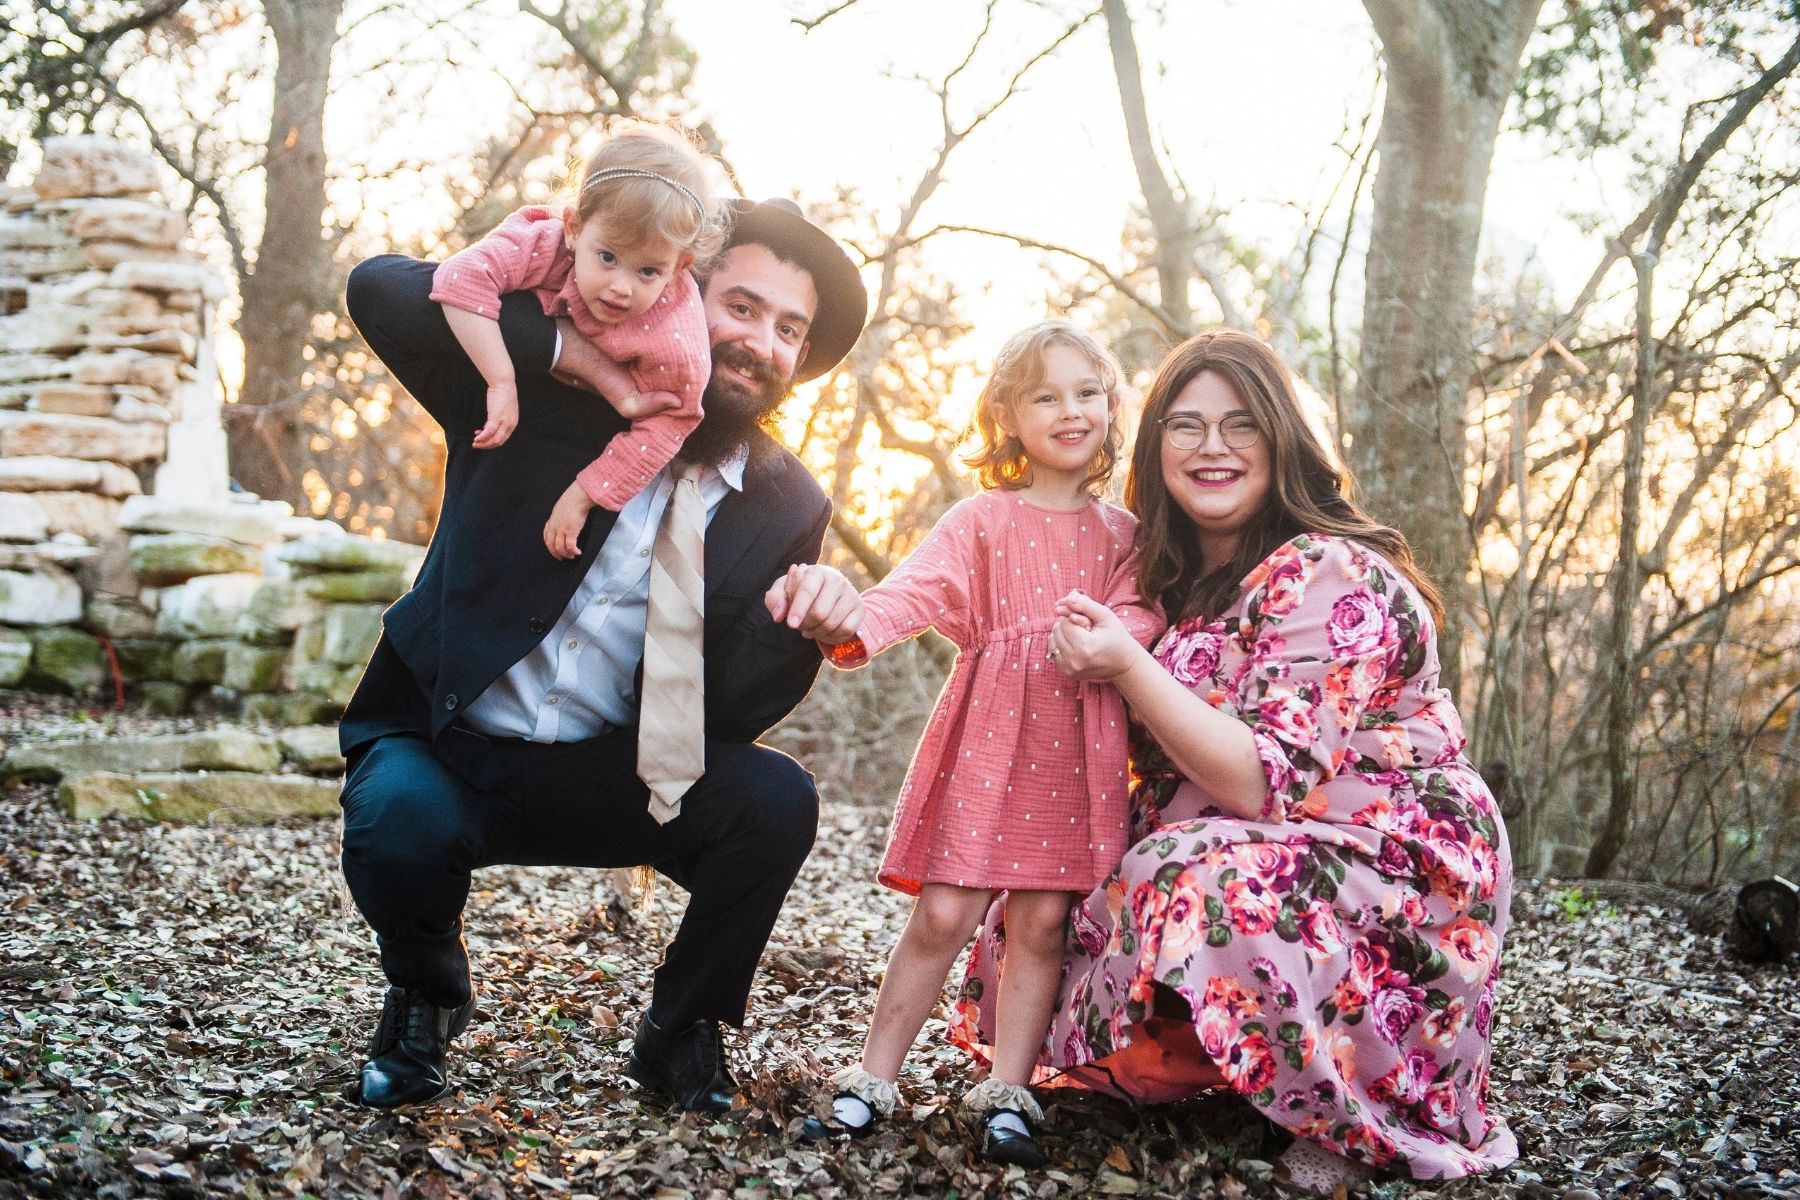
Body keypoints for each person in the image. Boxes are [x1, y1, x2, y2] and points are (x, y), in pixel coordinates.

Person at [950, 330, 1517, 1193]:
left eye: (1240, 424)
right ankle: (1217, 1072)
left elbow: (1262, 781)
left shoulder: (1329, 571)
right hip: (1235, 832)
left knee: (1197, 881)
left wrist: (1127, 668)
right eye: (1185, 426)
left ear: (1282, 438)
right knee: (1046, 893)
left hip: (1380, 848)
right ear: (1152, 446)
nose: (1212, 447)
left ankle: (1347, 1111)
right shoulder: (1162, 576)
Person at [336, 195, 869, 1113]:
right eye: (740, 307)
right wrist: (573, 353)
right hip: (450, 748)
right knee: (397, 822)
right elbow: (378, 291)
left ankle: (678, 1031)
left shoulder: (788, 504)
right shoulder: (539, 390)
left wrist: (805, 632)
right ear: (680, 288)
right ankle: (426, 992)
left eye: (790, 329)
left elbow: (730, 711)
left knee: (777, 797)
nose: (760, 343)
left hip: (616, 775)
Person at [770, 322, 1163, 1166]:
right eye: (1045, 395)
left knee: (1042, 920)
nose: (1070, 411)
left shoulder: (1124, 534)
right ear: (1007, 416)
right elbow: (913, 591)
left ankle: (1008, 1092)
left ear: (1110, 406)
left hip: (1076, 749)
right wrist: (849, 621)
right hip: (988, 738)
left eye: (1087, 392)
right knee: (944, 909)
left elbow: (1145, 614)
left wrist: (1110, 632)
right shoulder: (982, 519)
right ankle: (874, 1078)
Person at [430, 121, 727, 557]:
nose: (621, 288)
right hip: (506, 403)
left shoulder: (677, 339)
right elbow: (460, 278)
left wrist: (585, 494)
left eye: (649, 271)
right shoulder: (544, 244)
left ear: (680, 266)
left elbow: (672, 420)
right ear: (573, 227)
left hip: (578, 439)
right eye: (607, 257)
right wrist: (500, 380)